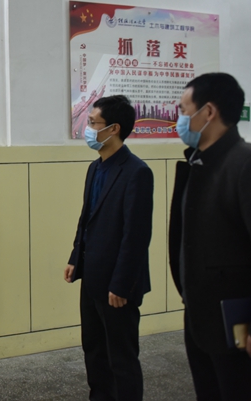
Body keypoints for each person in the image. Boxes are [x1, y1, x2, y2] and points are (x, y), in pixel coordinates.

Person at [64, 95, 154, 401]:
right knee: (94, 350)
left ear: (113, 128)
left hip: (118, 285)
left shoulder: (136, 172)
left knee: (121, 358)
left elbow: (136, 235)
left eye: (92, 123)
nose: (87, 129)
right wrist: (75, 258)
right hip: (91, 277)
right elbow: (86, 218)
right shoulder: (95, 167)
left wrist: (122, 284)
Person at [168, 72, 251, 400]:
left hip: (237, 323)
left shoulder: (244, 164)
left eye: (184, 110)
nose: (180, 119)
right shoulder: (198, 163)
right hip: (200, 317)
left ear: (209, 112)